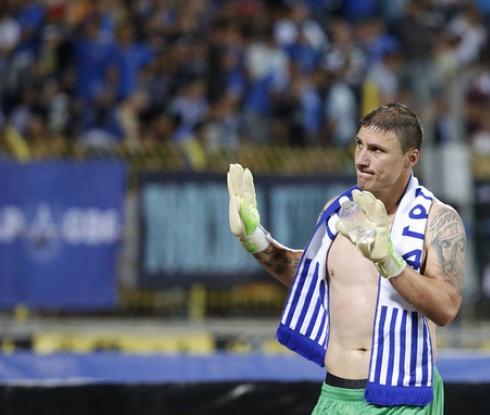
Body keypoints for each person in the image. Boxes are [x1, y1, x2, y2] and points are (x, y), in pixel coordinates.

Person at [227, 102, 466, 414]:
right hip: (336, 395)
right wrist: (254, 238)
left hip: (403, 399)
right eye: (359, 144)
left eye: (377, 150)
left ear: (411, 158)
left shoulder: (437, 220)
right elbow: (310, 276)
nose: (362, 159)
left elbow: (446, 308)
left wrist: (390, 263)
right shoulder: (338, 211)